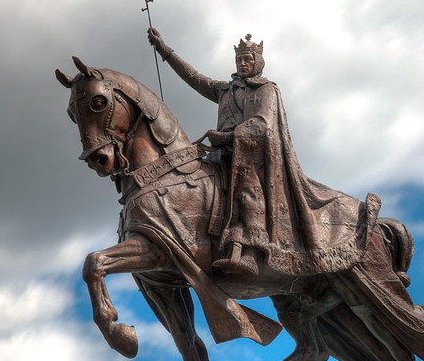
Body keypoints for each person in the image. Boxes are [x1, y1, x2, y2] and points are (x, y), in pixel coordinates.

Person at [147, 28, 380, 279]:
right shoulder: (224, 90)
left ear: (258, 62)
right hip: (222, 155)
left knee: (247, 189)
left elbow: (262, 124)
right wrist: (164, 50)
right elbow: (194, 77)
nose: (243, 64)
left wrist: (227, 137)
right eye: (239, 60)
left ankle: (250, 250)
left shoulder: (266, 88)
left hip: (253, 156)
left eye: (248, 59)